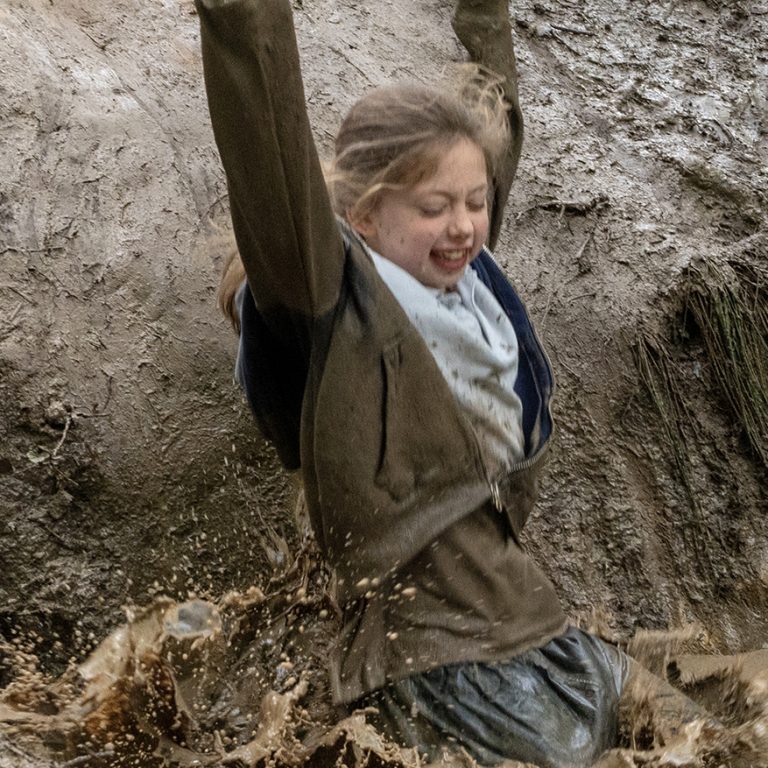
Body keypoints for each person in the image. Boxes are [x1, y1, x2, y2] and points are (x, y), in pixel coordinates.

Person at [194, 1, 701, 765]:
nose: (464, 224)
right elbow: (265, 131)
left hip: (550, 641)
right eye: (435, 207)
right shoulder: (328, 300)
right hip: (446, 675)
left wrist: (485, 12)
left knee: (720, 731)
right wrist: (242, 16)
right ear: (364, 217)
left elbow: (495, 117)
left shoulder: (467, 283)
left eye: (475, 203)